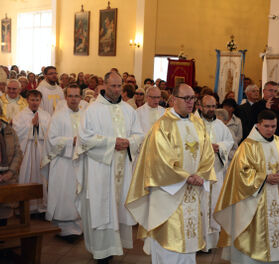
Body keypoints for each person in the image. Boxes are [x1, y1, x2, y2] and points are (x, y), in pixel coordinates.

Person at [126, 83, 216, 264]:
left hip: (193, 192)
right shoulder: (162, 126)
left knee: (189, 246)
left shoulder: (198, 124)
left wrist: (202, 174)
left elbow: (208, 154)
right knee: (169, 245)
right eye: (186, 98)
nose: (191, 103)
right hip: (169, 194)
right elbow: (160, 160)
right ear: (173, 99)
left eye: (193, 98)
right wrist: (186, 177)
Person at [75, 71, 144, 263]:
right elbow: (84, 138)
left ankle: (115, 247)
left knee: (117, 208)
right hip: (100, 170)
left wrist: (129, 142)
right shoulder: (92, 110)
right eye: (113, 86)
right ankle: (101, 250)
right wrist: (112, 142)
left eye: (119, 86)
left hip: (122, 168)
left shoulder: (129, 110)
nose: (116, 90)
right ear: (104, 85)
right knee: (101, 208)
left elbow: (139, 135)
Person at [214, 110, 279, 264]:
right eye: (266, 126)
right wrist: (264, 177)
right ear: (258, 125)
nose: (270, 130)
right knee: (255, 232)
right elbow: (241, 172)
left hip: (277, 195)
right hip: (255, 198)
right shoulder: (248, 145)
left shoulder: (278, 141)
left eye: (273, 126)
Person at [41, 84, 83, 240]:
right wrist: (69, 141)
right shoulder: (58, 116)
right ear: (66, 97)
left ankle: (79, 228)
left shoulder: (85, 116)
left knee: (78, 194)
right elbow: (51, 140)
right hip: (63, 163)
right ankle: (64, 230)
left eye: (76, 96)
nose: (73, 99)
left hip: (80, 162)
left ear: (81, 98)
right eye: (70, 96)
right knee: (64, 195)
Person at [198, 95, 233, 251]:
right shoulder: (193, 123)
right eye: (207, 106)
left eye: (213, 106)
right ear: (200, 106)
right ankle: (197, 242)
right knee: (200, 207)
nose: (211, 109)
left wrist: (219, 146)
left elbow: (229, 141)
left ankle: (210, 243)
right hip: (199, 174)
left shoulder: (220, 125)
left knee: (212, 206)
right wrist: (206, 147)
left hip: (216, 172)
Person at [13, 90, 50, 213]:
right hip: (27, 150)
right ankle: (25, 208)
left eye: (37, 100)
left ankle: (41, 207)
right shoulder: (20, 115)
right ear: (27, 100)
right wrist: (31, 125)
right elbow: (17, 132)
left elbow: (50, 132)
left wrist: (39, 126)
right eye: (32, 100)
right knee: (25, 175)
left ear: (40, 101)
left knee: (41, 176)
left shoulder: (46, 115)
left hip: (41, 149)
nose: (35, 102)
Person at [0, 104, 22, 226]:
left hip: (7, 177)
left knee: (4, 214)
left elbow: (18, 153)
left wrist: (10, 173)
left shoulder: (9, 130)